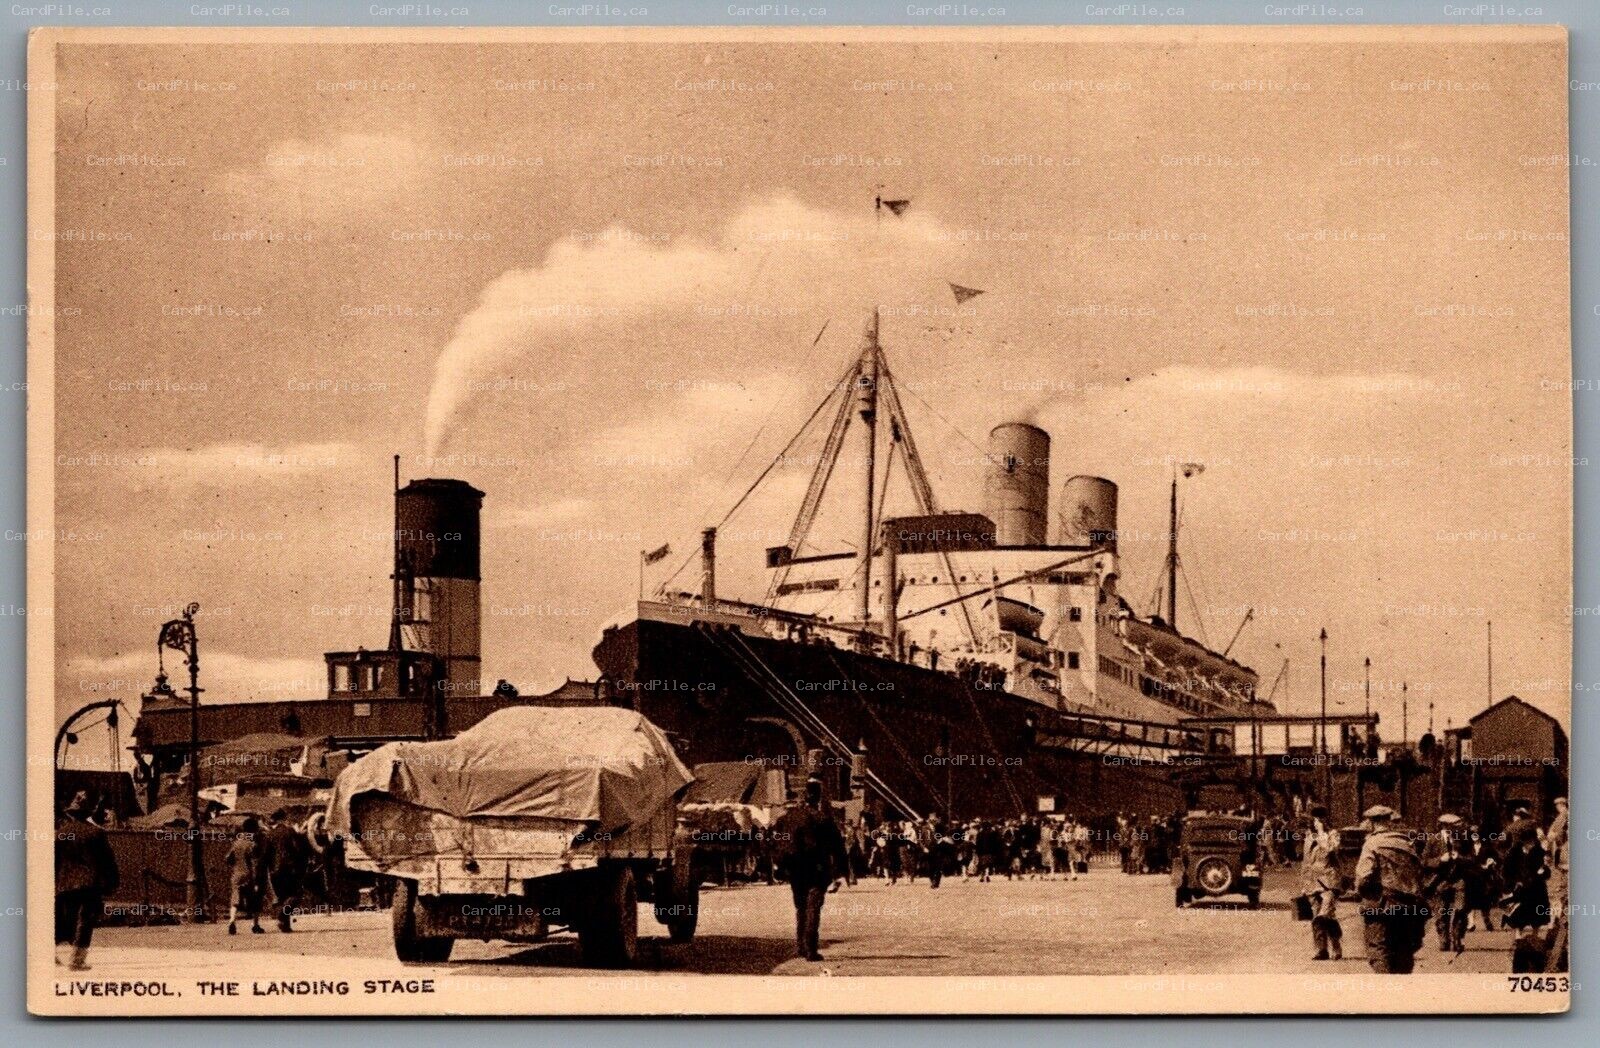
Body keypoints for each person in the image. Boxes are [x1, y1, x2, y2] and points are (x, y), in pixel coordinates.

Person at [773, 777, 848, 961]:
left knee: (800, 907)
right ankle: (811, 949)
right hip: (817, 869)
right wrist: (841, 871)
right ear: (818, 798)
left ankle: (801, 946)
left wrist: (778, 865)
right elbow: (837, 847)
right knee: (813, 907)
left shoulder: (787, 818)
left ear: (803, 797)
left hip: (795, 868)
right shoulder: (823, 819)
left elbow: (777, 842)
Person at [1354, 804, 1429, 974]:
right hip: (1408, 906)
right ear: (1389, 821)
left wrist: (1363, 892)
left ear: (1372, 823)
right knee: (1403, 951)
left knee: (1378, 948)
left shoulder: (1372, 843)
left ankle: (1386, 987)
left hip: (1381, 906)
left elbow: (1363, 877)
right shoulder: (1406, 843)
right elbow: (1419, 873)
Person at [55, 790, 119, 970]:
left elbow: (54, 860)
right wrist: (112, 882)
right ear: (89, 812)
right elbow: (108, 861)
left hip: (65, 883)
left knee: (65, 919)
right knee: (85, 920)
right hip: (89, 884)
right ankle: (77, 960)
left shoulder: (61, 834)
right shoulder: (96, 833)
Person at [1499, 799, 1551, 973]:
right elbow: (1507, 869)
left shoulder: (1536, 849)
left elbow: (1546, 870)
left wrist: (1543, 871)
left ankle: (1534, 938)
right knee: (1520, 913)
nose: (1530, 845)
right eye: (1528, 843)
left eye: (1531, 842)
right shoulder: (1515, 851)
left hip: (1535, 887)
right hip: (1521, 887)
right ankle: (1519, 937)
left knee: (1536, 912)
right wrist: (1513, 882)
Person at [1422, 813, 1470, 954]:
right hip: (1439, 881)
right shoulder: (1433, 840)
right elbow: (1423, 861)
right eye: (1451, 826)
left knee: (1460, 910)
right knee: (1442, 912)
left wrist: (1459, 857)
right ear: (1444, 826)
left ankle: (1457, 939)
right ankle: (1444, 939)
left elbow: (1472, 859)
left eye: (1455, 826)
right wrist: (1439, 860)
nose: (1455, 829)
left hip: (1459, 880)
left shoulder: (1462, 839)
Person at [1300, 805, 1343, 961]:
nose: (1316, 822)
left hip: (1329, 881)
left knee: (1326, 914)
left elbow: (1331, 849)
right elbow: (1306, 861)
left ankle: (1336, 945)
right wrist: (1304, 884)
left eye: (1319, 819)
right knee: (1316, 916)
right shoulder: (1309, 837)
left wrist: (1321, 833)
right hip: (1312, 882)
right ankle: (1321, 949)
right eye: (1314, 819)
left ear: (1325, 819)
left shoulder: (1333, 834)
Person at [261, 808, 307, 932]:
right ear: (284, 818)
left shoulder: (269, 834)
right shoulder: (290, 832)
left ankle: (285, 925)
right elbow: (298, 849)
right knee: (296, 894)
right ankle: (282, 916)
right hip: (290, 868)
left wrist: (266, 869)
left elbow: (265, 854)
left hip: (274, 871)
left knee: (282, 897)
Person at [227, 817, 266, 935]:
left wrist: (235, 866)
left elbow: (228, 858)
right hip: (248, 875)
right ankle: (255, 925)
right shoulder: (252, 844)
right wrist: (256, 880)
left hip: (236, 874)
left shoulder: (236, 843)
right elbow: (254, 863)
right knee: (255, 900)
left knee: (235, 899)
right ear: (254, 830)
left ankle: (232, 920)